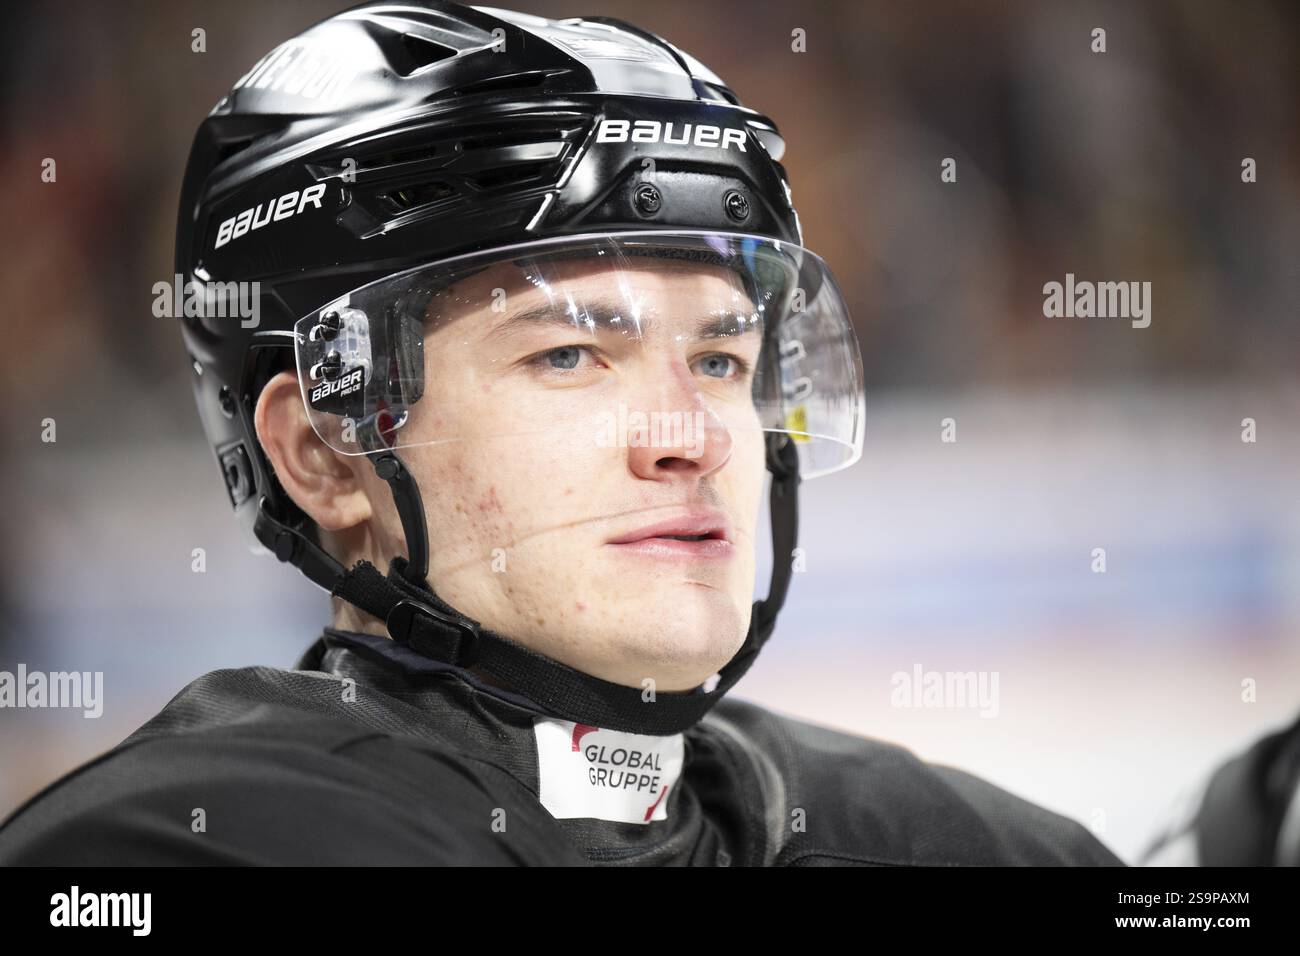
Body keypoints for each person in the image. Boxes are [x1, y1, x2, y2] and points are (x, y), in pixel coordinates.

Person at [0, 0, 1122, 866]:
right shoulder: (188, 848)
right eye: (569, 355)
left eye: (721, 358)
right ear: (321, 450)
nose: (692, 438)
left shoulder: (943, 835)